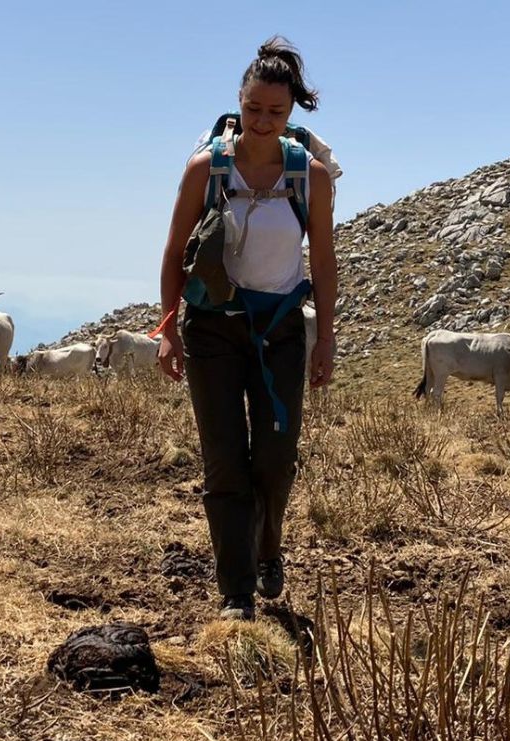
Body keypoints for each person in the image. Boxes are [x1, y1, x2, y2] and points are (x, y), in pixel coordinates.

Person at [157, 37, 337, 621]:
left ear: (293, 114)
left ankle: (268, 547)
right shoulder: (207, 168)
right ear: (239, 101)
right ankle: (235, 590)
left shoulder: (310, 177)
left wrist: (326, 337)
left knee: (276, 459)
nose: (263, 121)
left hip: (281, 330)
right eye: (254, 108)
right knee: (224, 461)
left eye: (276, 112)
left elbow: (325, 261)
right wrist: (168, 328)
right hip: (212, 328)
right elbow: (174, 251)